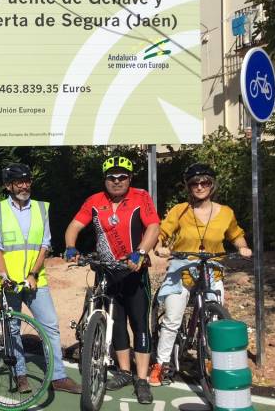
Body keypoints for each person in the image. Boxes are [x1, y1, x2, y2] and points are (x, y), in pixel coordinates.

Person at [64, 156, 160, 404]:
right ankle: (124, 373)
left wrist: (141, 251)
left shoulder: (141, 197)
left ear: (130, 178)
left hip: (134, 270)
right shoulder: (95, 201)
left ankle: (141, 380)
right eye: (111, 177)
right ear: (104, 179)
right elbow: (74, 226)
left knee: (139, 324)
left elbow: (153, 227)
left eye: (122, 177)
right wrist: (70, 247)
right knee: (115, 324)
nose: (116, 181)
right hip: (106, 270)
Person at [149, 163, 252, 386]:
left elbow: (236, 235)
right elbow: (163, 232)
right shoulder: (180, 210)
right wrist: (160, 246)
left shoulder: (225, 212)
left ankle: (212, 360)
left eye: (204, 182)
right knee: (173, 318)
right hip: (182, 269)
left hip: (211, 269)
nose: (199, 186)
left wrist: (242, 247)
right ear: (188, 187)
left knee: (215, 318)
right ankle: (161, 363)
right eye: (194, 183)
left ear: (211, 184)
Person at [0, 163, 82, 395]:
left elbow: (45, 244)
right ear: (8, 186)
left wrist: (33, 273)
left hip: (35, 279)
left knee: (50, 325)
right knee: (13, 328)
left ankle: (57, 376)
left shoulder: (41, 208)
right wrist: (5, 275)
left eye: (27, 181)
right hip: (7, 280)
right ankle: (20, 375)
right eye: (19, 182)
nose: (24, 186)